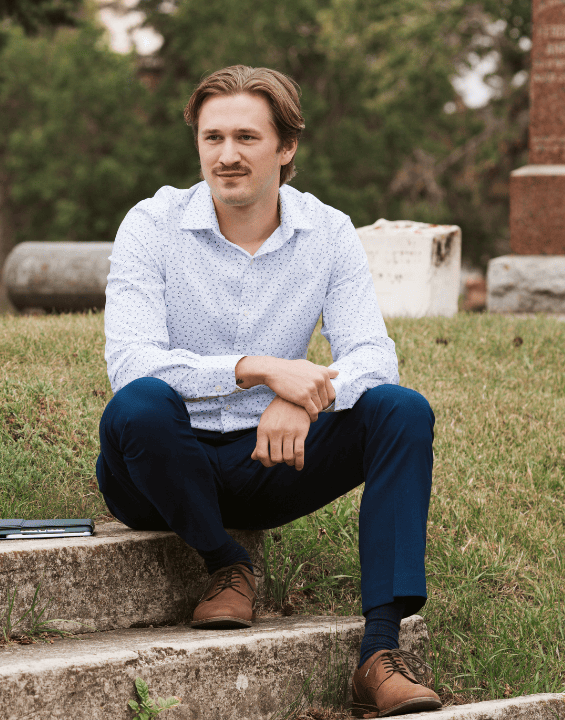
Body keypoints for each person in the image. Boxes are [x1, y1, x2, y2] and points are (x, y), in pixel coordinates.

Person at [96, 65, 441, 717]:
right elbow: (133, 363)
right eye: (213, 137)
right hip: (162, 466)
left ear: (286, 149)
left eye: (247, 138)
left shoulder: (328, 232)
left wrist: (303, 393)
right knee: (139, 402)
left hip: (273, 458)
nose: (227, 156)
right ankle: (226, 563)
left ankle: (379, 652)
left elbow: (373, 356)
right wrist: (257, 368)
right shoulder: (152, 224)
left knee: (401, 410)